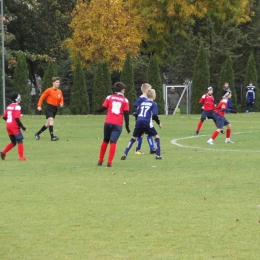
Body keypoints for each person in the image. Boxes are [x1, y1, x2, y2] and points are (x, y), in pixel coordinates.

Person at [121, 89, 163, 160]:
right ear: (153, 95)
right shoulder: (153, 104)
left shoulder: (142, 103)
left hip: (139, 122)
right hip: (147, 123)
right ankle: (158, 155)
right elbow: (155, 115)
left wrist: (138, 121)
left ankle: (125, 153)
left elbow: (136, 114)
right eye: (155, 93)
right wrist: (159, 123)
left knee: (133, 137)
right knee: (156, 137)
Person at [96, 82, 130, 167]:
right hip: (117, 124)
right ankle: (109, 162)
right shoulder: (125, 100)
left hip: (108, 122)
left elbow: (103, 108)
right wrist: (127, 126)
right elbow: (126, 114)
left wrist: (97, 110)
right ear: (122, 90)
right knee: (113, 142)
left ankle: (100, 160)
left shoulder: (109, 97)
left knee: (105, 140)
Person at [35, 77, 64, 141]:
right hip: (49, 108)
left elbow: (61, 99)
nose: (58, 84)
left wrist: (61, 103)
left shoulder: (59, 91)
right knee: (51, 121)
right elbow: (42, 97)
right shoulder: (49, 90)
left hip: (55, 109)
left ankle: (37, 134)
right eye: (56, 82)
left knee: (48, 124)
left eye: (59, 82)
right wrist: (39, 105)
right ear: (53, 83)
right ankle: (52, 137)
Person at [1, 93, 27, 161]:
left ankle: (3, 152)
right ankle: (21, 157)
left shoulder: (9, 106)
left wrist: (10, 121)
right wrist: (23, 127)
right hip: (14, 126)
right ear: (17, 99)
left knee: (13, 142)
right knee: (20, 140)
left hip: (8, 125)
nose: (20, 99)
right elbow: (16, 118)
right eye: (19, 98)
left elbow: (4, 117)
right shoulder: (17, 107)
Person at [133, 83, 155, 155]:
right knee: (141, 134)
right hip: (141, 120)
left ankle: (152, 149)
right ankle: (138, 150)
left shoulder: (148, 99)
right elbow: (134, 107)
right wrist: (136, 113)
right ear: (147, 91)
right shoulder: (141, 99)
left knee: (149, 133)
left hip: (148, 120)